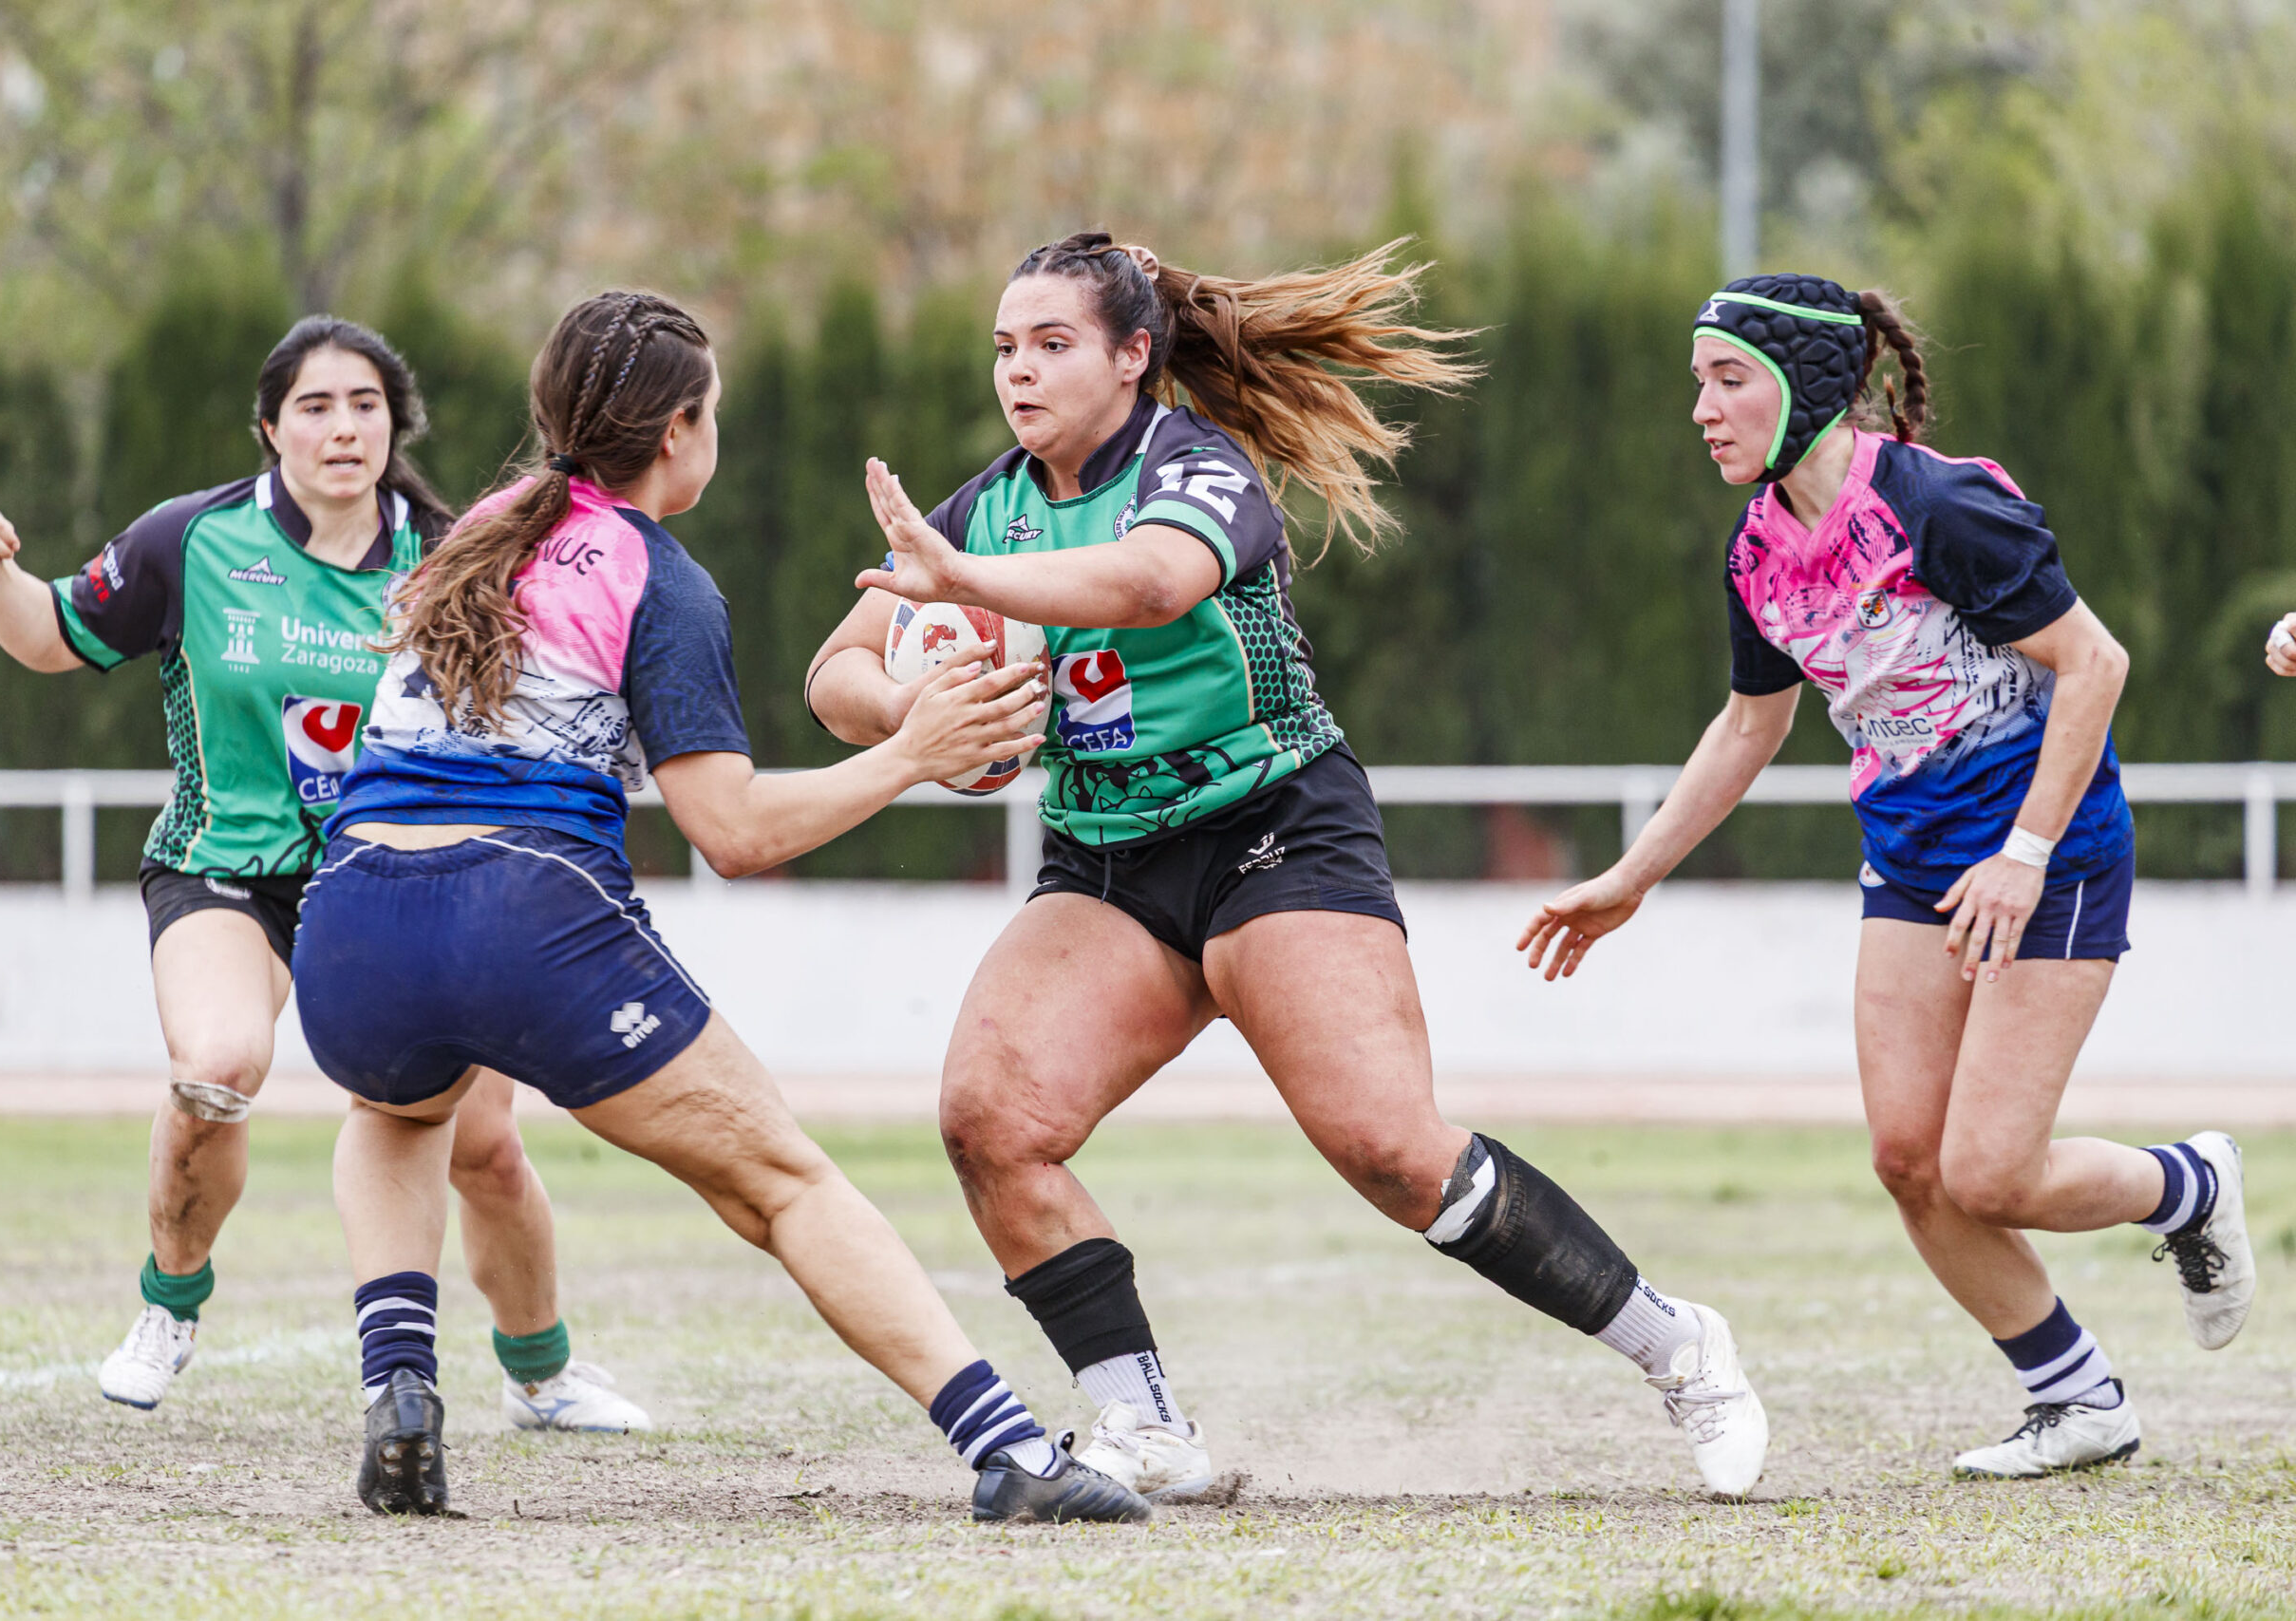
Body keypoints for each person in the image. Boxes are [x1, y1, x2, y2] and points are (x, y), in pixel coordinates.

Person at [803, 233, 1771, 1500]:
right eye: (1004, 347)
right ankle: (1145, 1423)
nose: (1018, 371)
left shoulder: (1194, 467)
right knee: (990, 1123)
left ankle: (1675, 1341)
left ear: (1132, 356)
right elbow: (833, 670)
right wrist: (914, 713)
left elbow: (1151, 584)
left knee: (1390, 1151)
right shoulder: (983, 507)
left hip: (1274, 830)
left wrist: (970, 584)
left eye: (1051, 344)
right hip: (1108, 859)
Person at [290, 289, 1149, 1525]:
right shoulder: (660, 577)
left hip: (350, 915)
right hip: (521, 912)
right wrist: (911, 754)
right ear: (679, 431)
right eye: (714, 414)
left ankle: (401, 1391)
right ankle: (1010, 1449)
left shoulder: (473, 530)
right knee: (783, 1183)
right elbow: (734, 833)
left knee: (393, 1110)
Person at [1517, 273, 2256, 1480]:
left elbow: (2096, 664)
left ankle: (2186, 1187)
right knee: (1909, 1162)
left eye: (1728, 380)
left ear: (1805, 386)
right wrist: (1630, 876)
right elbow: (1749, 725)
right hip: (1911, 864)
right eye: (1697, 383)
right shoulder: (1757, 547)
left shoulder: (1938, 506)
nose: (1701, 410)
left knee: (1991, 1172)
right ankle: (2076, 1399)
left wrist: (2022, 855)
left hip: (2049, 854)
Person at [0, 317, 648, 1434]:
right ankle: (170, 1304)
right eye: (315, 407)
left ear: (395, 426)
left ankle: (541, 1373)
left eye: (365, 405)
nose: (343, 428)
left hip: (401, 881)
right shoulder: (193, 540)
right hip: (227, 869)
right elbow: (48, 636)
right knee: (217, 1066)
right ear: (270, 428)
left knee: (484, 1148)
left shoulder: (454, 553)